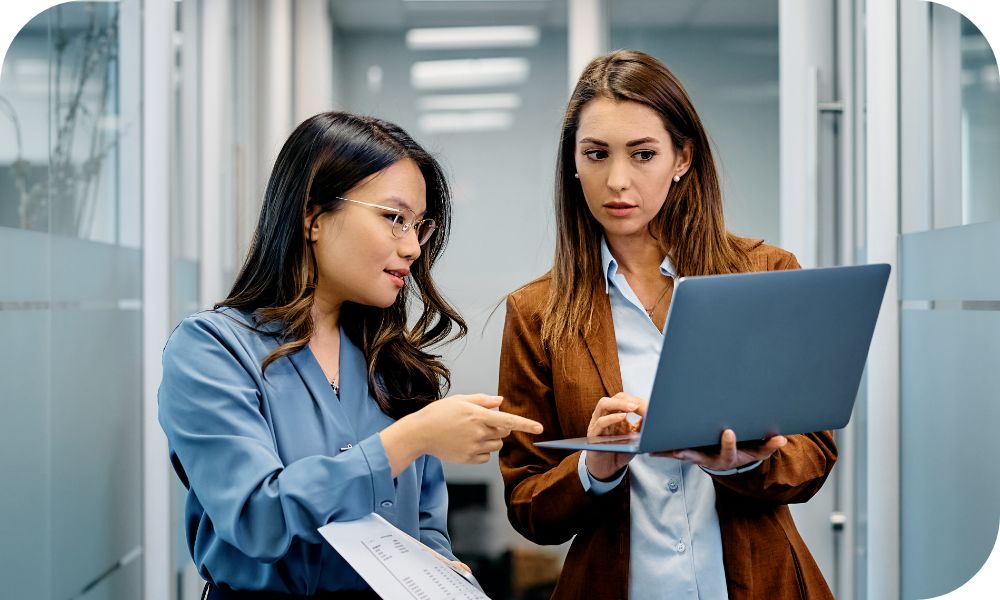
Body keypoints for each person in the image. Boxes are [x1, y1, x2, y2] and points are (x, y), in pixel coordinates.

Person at [159, 111, 542, 599]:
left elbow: (426, 530)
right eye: (393, 218)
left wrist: (446, 573)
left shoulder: (395, 366)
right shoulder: (211, 350)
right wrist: (408, 439)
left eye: (419, 227)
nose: (411, 248)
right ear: (313, 217)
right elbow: (257, 518)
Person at [497, 50, 837, 600]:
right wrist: (596, 465)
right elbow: (528, 505)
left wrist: (738, 464)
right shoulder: (537, 312)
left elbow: (814, 455)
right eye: (596, 154)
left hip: (759, 580)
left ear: (682, 158)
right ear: (573, 163)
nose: (617, 180)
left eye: (643, 153)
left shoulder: (764, 273)